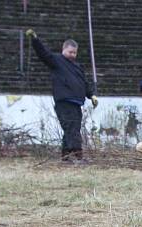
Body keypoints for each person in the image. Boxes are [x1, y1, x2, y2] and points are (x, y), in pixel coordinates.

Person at [26, 29, 97, 162]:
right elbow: (43, 53)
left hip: (77, 103)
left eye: (75, 52)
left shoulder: (77, 67)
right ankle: (78, 156)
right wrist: (35, 40)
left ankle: (66, 157)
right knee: (72, 128)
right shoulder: (56, 61)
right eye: (70, 52)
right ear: (63, 49)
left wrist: (91, 95)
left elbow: (84, 82)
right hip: (64, 102)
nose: (72, 55)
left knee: (72, 129)